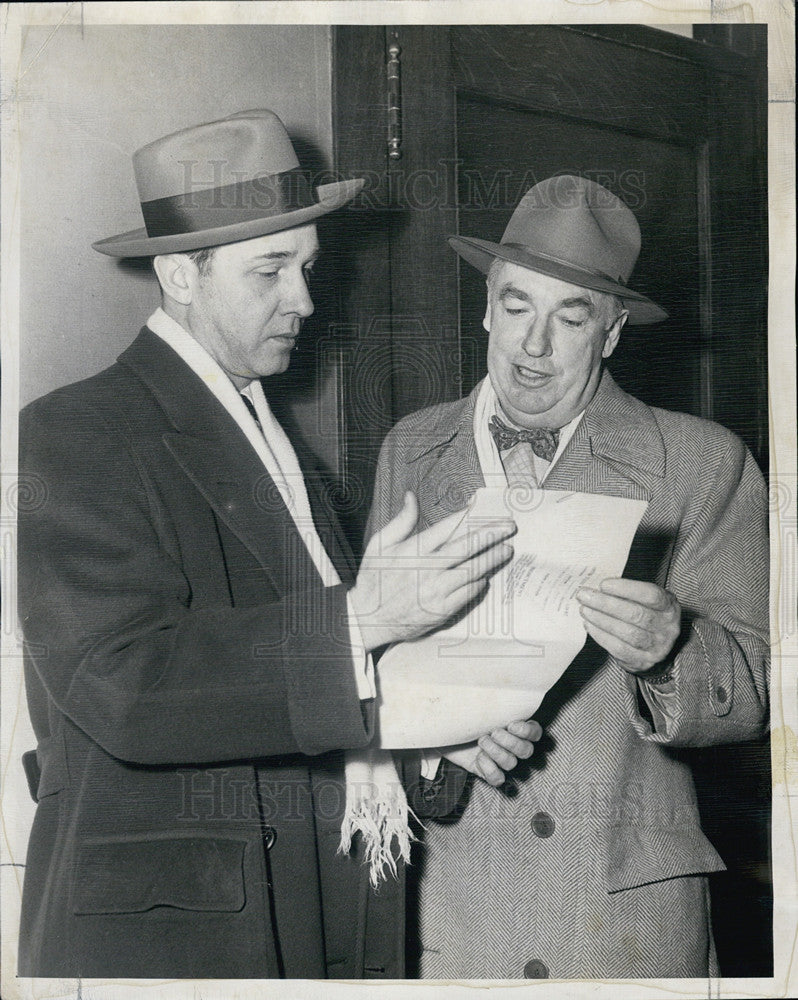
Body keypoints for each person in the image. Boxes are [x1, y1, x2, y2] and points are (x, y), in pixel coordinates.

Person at [16, 109, 539, 979]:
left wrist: (425, 732)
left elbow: (286, 695)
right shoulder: (78, 431)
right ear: (181, 274)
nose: (302, 299)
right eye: (270, 271)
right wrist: (358, 621)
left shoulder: (275, 442)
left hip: (309, 910)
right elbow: (126, 686)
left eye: (306, 269)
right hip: (182, 936)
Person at [368, 175, 770, 979]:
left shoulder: (701, 463)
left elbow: (763, 691)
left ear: (612, 333)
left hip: (622, 925)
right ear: (486, 306)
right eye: (517, 306)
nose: (533, 345)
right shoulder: (409, 451)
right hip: (454, 915)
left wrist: (673, 647)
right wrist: (435, 746)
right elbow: (370, 668)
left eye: (571, 316)